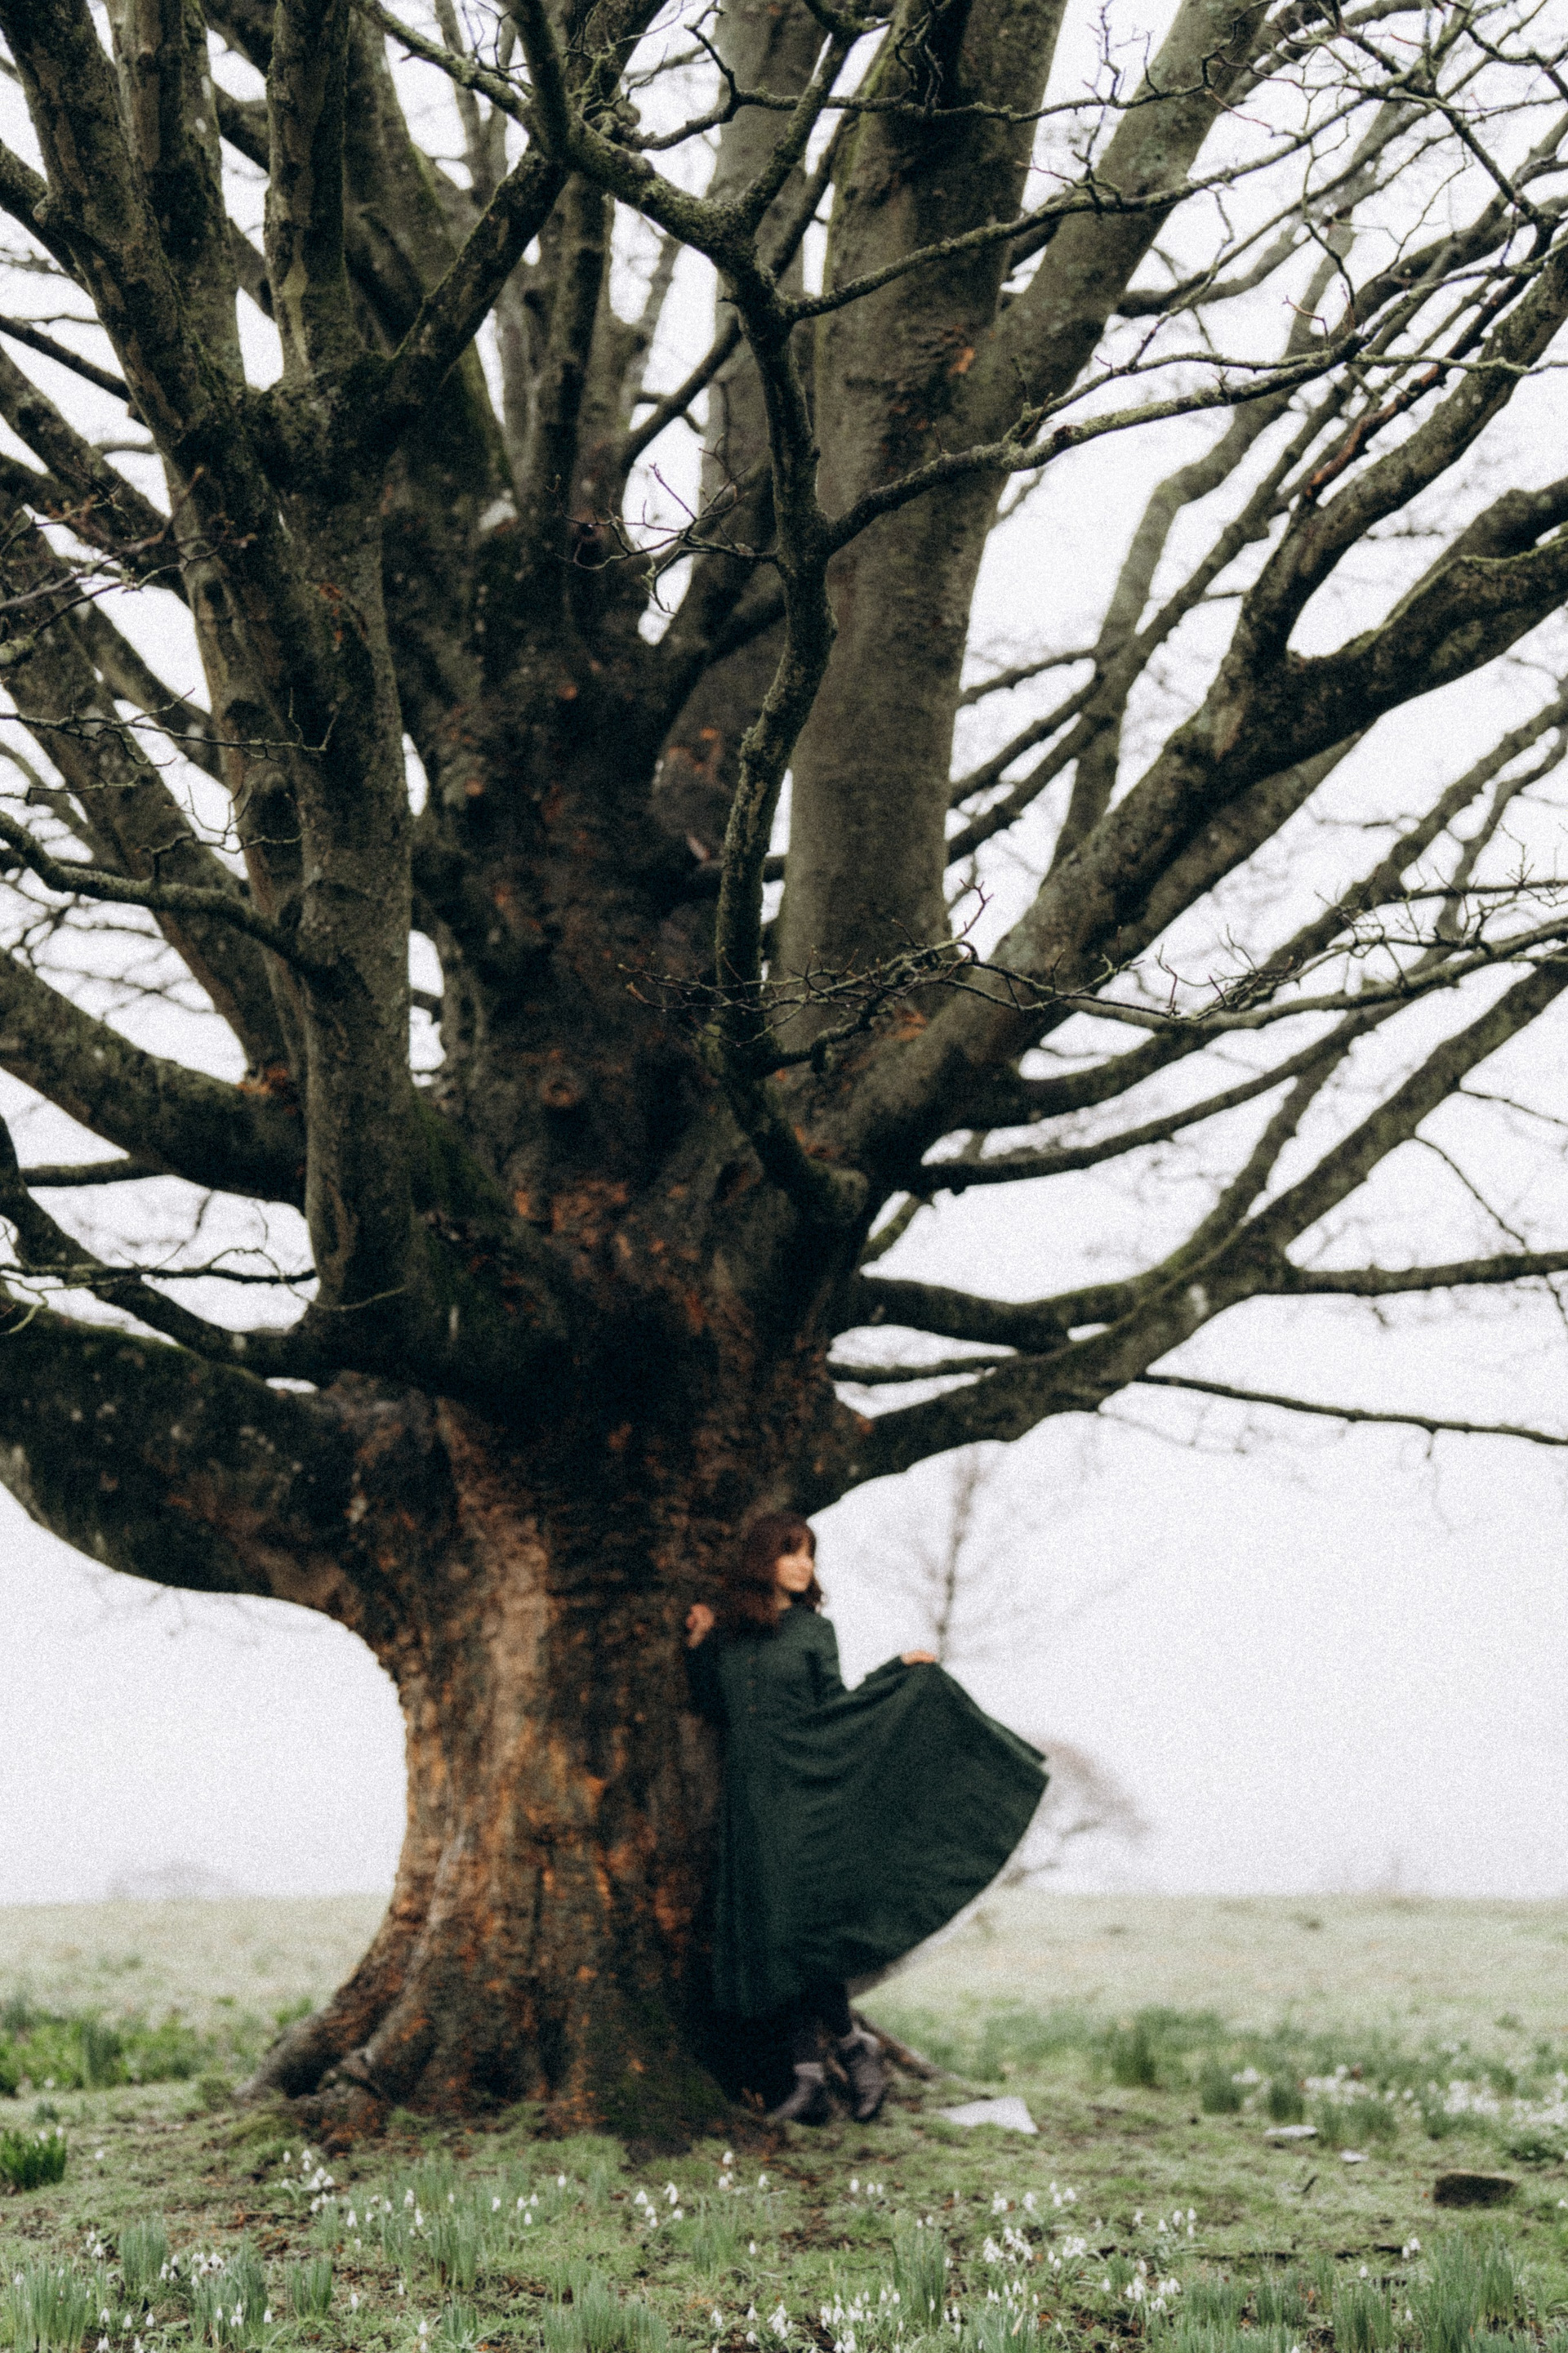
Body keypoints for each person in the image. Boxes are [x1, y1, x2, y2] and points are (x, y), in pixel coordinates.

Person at [685, 1510, 1048, 2126]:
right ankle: (810, 2079)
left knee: (804, 1929)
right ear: (762, 1559)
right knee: (774, 1935)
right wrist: (697, 1645)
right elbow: (711, 1704)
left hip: (806, 1793)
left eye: (810, 1553)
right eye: (791, 1551)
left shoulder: (813, 1631)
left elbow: (837, 1707)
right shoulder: (731, 1635)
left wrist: (894, 1675)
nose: (804, 1564)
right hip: (751, 1799)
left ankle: (852, 2049)